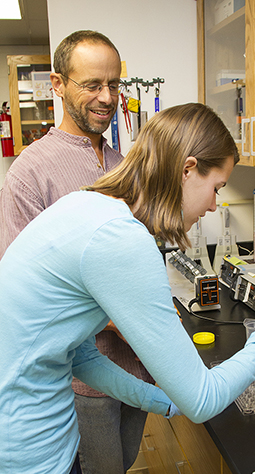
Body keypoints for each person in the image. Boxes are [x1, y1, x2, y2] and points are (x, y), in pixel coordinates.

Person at [0, 102, 255, 474]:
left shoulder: (83, 205)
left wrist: (161, 400)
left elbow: (79, 356)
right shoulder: (119, 238)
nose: (214, 206)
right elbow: (202, 400)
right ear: (187, 170)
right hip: (32, 454)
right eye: (216, 187)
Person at [0, 30, 153, 474]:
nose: (106, 97)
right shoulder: (30, 172)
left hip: (136, 362)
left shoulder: (123, 164)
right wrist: (122, 319)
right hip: (84, 373)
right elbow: (21, 293)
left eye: (114, 85)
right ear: (58, 84)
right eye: (92, 85)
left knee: (123, 464)